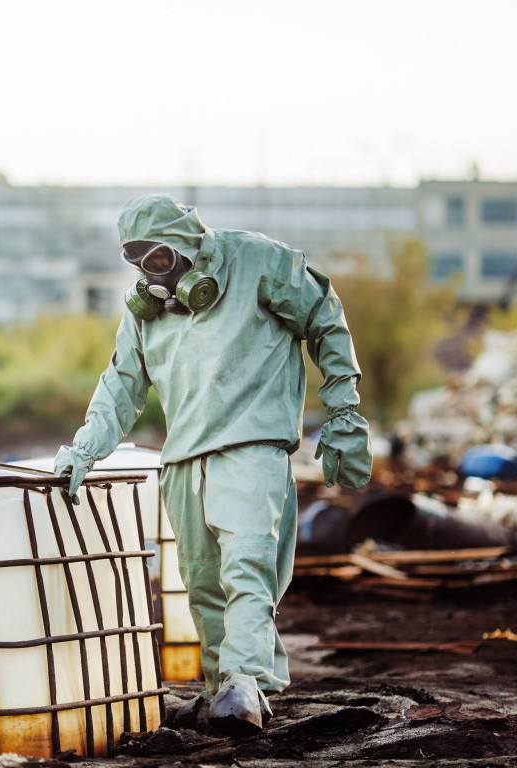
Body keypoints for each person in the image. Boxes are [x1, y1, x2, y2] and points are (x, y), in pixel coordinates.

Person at [54, 194, 372, 737]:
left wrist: (343, 408)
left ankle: (245, 681)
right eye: (137, 261)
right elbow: (121, 386)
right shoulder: (147, 313)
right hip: (184, 458)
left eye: (158, 258)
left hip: (252, 446)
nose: (150, 274)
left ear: (188, 245)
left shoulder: (257, 262)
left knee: (247, 567)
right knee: (201, 583)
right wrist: (84, 449)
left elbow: (324, 315)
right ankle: (223, 686)